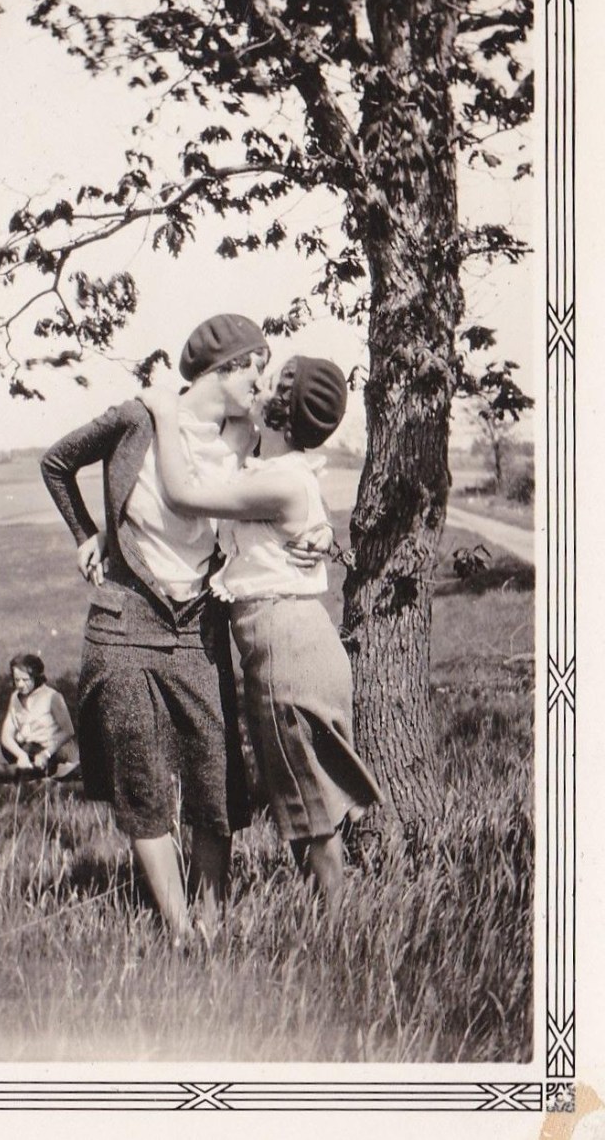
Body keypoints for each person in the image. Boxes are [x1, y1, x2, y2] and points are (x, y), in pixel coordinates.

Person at [41, 314, 327, 939]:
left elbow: (294, 480)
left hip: (201, 621)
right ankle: (179, 931)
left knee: (214, 776)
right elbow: (56, 463)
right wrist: (86, 533)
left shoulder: (247, 434)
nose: (264, 382)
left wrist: (321, 532)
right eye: (257, 366)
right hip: (123, 623)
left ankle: (213, 918)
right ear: (226, 368)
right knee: (139, 779)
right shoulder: (139, 417)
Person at [143, 355, 384, 917]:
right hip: (282, 639)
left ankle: (339, 921)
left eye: (270, 383)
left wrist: (159, 408)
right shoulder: (270, 465)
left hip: (285, 643)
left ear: (280, 412)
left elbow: (181, 493)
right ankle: (335, 915)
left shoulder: (280, 480)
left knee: (306, 797)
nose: (257, 382)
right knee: (302, 789)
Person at [0, 653, 79, 779]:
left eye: (25, 680)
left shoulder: (52, 697)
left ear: (36, 678)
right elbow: (6, 735)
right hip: (26, 748)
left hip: (50, 748)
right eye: (16, 680)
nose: (20, 685)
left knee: (41, 759)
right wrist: (21, 755)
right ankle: (28, 769)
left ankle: (58, 770)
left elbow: (68, 731)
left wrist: (45, 754)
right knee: (9, 748)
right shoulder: (15, 697)